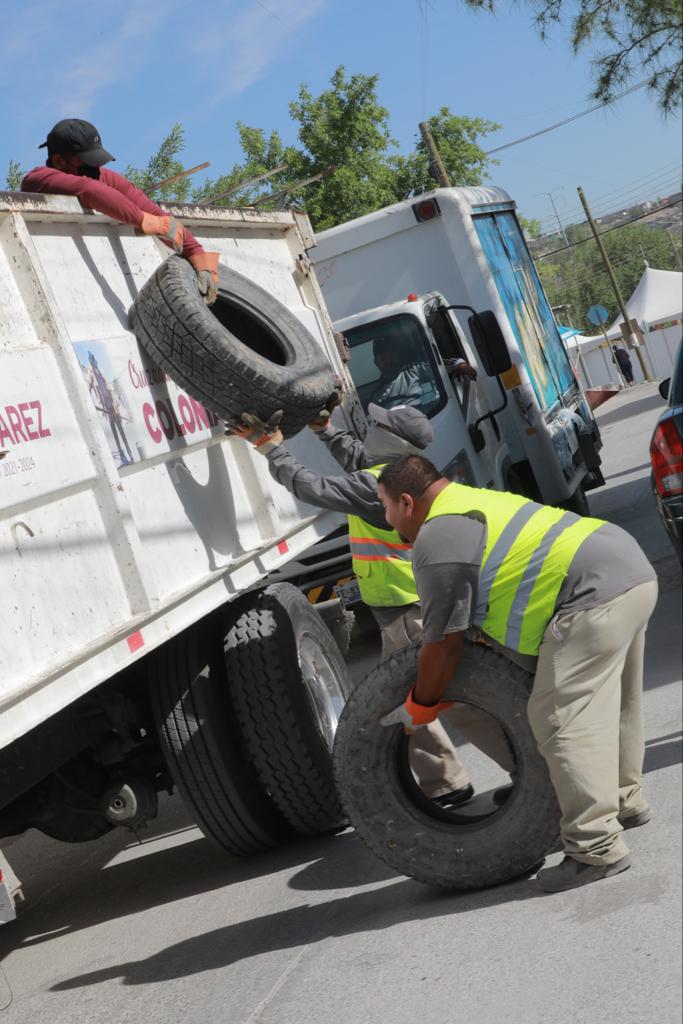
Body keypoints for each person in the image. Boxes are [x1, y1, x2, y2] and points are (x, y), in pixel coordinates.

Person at [377, 455, 658, 893]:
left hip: (589, 591)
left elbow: (443, 641)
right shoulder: (469, 499)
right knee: (618, 701)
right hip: (628, 566)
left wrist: (422, 704)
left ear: (407, 502)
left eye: (386, 508)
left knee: (557, 719)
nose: (387, 520)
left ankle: (595, 848)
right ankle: (625, 800)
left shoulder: (436, 536)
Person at [228, 400, 475, 809]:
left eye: (379, 426)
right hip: (411, 603)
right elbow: (358, 456)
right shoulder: (400, 474)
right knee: (429, 695)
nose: (369, 429)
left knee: (416, 697)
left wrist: (270, 447)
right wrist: (324, 429)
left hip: (405, 608)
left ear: (394, 442)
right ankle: (453, 781)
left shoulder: (377, 486)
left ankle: (455, 781)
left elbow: (312, 487)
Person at [21, 119, 219, 305]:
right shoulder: (38, 179)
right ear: (58, 160)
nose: (94, 168)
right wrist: (143, 220)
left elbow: (155, 212)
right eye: (85, 161)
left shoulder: (100, 176)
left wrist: (199, 258)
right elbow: (91, 190)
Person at [369, 336, 477, 410]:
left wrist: (461, 365)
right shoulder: (376, 396)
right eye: (383, 359)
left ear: (396, 355)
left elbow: (444, 364)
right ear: (376, 363)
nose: (388, 361)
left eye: (391, 356)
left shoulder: (414, 370)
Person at [85, 351, 134, 467]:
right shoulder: (91, 374)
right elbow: (88, 389)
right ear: (90, 361)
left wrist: (116, 404)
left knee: (121, 432)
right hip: (106, 409)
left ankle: (130, 454)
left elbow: (109, 389)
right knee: (115, 435)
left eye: (94, 359)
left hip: (113, 406)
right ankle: (123, 457)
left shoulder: (100, 371)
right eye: (92, 359)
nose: (94, 361)